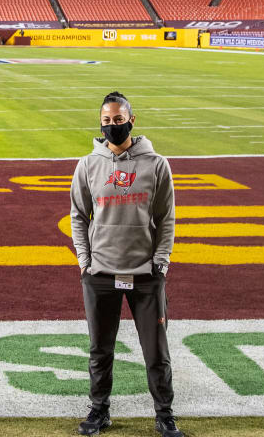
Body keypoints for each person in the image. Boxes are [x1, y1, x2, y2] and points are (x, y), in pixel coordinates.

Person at [70, 91, 182, 437]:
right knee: (99, 350)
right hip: (100, 273)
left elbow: (166, 219)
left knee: (156, 352)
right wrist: (85, 262)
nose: (112, 126)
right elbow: (77, 215)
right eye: (106, 121)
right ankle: (99, 411)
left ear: (132, 121)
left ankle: (164, 415)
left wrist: (160, 262)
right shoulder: (88, 164)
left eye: (118, 120)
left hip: (146, 274)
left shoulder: (156, 164)